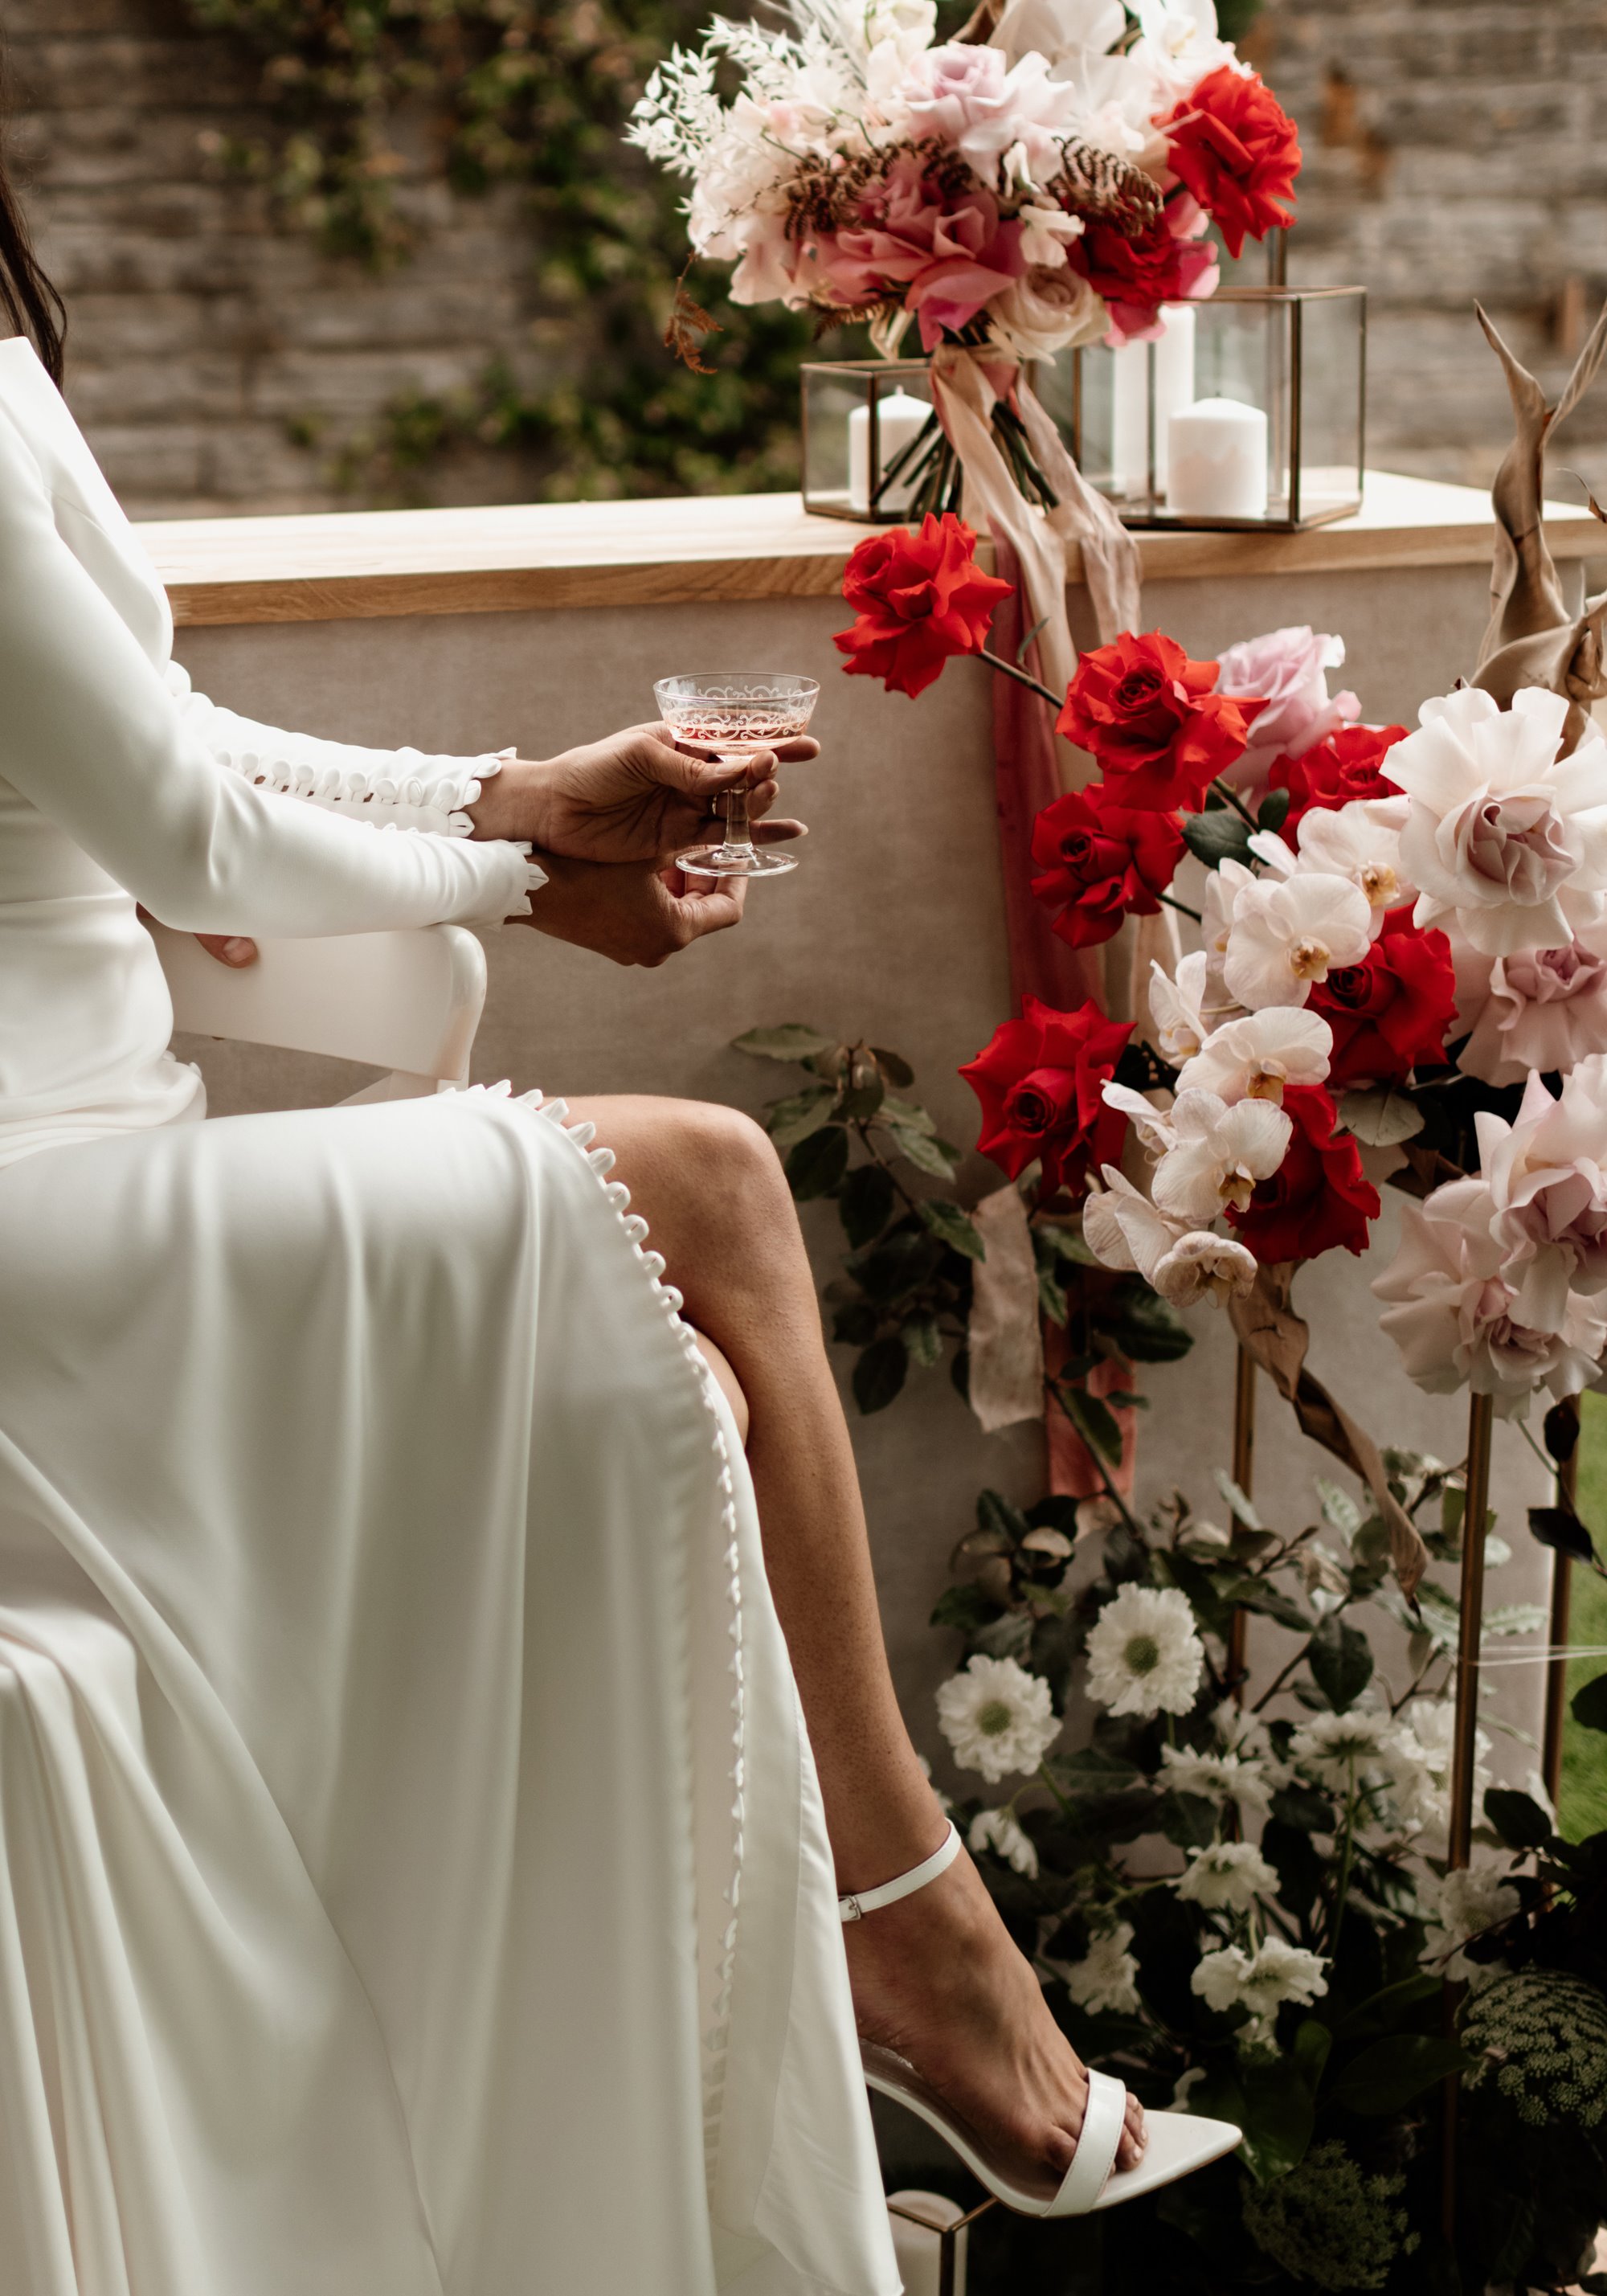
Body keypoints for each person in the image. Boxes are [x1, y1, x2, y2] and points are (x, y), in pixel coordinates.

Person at [0, 137, 1160, 2296]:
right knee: (709, 1186)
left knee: (687, 1382)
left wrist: (520, 800)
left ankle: (694, 2112)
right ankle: (918, 1954)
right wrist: (530, 869)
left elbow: (168, 737)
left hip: (104, 1174)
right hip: (43, 1233)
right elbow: (175, 822)